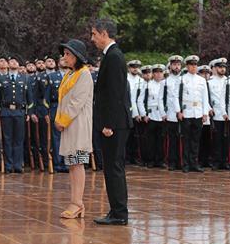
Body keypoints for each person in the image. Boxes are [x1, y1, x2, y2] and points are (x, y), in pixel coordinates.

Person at [91, 18, 131, 226]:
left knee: (114, 167)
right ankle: (116, 210)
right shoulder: (110, 55)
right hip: (113, 121)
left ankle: (119, 213)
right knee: (112, 167)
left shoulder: (114, 56)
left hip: (114, 124)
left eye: (94, 34)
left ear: (104, 33)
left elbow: (115, 94)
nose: (93, 39)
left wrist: (108, 124)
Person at [55, 39, 93, 219]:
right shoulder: (69, 74)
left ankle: (77, 203)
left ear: (77, 56)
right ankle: (76, 202)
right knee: (72, 164)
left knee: (77, 163)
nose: (65, 57)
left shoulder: (84, 74)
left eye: (68, 54)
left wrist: (62, 120)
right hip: (69, 124)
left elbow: (76, 102)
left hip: (77, 124)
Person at [0, 55, 35, 173]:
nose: (12, 63)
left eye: (15, 61)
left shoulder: (25, 78)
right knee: (7, 139)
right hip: (6, 112)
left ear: (18, 65)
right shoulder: (2, 79)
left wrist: (29, 112)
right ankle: (8, 165)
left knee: (19, 139)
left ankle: (17, 165)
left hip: (19, 112)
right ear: (8, 65)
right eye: (10, 61)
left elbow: (30, 98)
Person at [175, 55, 209, 173]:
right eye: (191, 65)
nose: (194, 67)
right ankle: (185, 164)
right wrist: (178, 111)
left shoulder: (201, 80)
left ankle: (194, 163)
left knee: (195, 140)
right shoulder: (181, 79)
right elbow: (176, 96)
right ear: (187, 66)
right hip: (186, 112)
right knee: (186, 140)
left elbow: (205, 97)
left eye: (195, 65)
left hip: (198, 112)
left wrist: (205, 113)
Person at [138, 64, 166, 168]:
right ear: (153, 74)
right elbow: (140, 101)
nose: (158, 75)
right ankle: (150, 160)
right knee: (150, 140)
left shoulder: (165, 84)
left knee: (161, 140)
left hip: (162, 115)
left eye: (160, 72)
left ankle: (160, 160)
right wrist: (144, 114)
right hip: (151, 114)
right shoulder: (148, 85)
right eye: (156, 72)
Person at [159, 55, 183, 171]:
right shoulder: (165, 82)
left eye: (178, 65)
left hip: (183, 114)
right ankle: (171, 161)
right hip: (170, 114)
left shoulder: (184, 80)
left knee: (182, 139)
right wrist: (163, 113)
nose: (177, 67)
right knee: (171, 139)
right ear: (170, 66)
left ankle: (181, 161)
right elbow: (160, 98)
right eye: (174, 64)